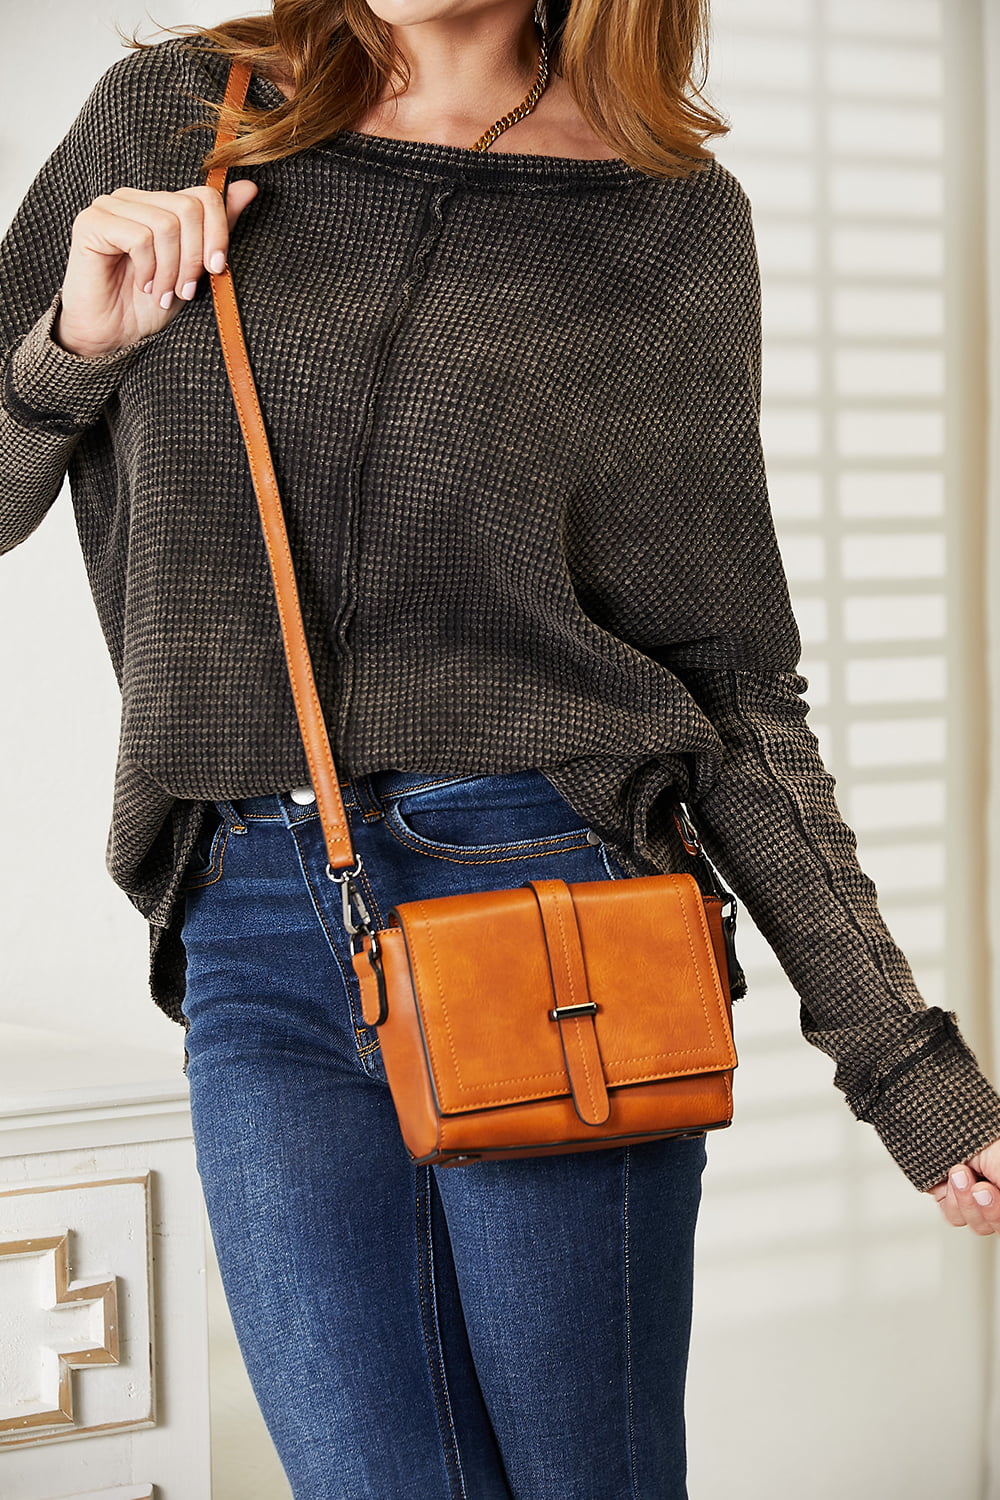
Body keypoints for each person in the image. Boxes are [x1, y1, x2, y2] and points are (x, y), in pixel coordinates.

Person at [3, 0, 1000, 1494]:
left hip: (551, 902)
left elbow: (731, 684)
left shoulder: (663, 217)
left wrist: (902, 1063)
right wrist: (77, 343)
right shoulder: (176, 118)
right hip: (254, 914)